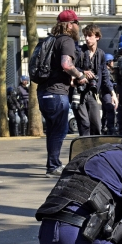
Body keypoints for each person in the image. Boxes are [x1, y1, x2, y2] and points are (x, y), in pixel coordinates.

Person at [37, 10, 87, 177]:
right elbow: (66, 65)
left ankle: (52, 164)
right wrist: (79, 75)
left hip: (44, 92)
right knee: (59, 130)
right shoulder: (67, 41)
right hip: (57, 93)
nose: (77, 27)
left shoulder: (49, 41)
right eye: (76, 24)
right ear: (69, 25)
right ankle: (53, 166)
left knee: (52, 130)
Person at [74, 25, 116, 136]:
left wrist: (113, 94)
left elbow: (105, 75)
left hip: (92, 93)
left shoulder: (101, 54)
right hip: (78, 92)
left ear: (97, 37)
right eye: (85, 36)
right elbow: (70, 67)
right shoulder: (79, 51)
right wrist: (82, 72)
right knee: (85, 124)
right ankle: (85, 151)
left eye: (90, 35)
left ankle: (95, 151)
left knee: (96, 125)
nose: (87, 38)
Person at [101, 54, 118, 135]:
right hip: (107, 93)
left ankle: (104, 128)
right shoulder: (106, 72)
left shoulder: (107, 71)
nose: (113, 63)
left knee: (105, 112)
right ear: (108, 62)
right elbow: (107, 83)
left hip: (105, 93)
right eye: (112, 61)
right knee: (110, 110)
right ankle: (110, 129)